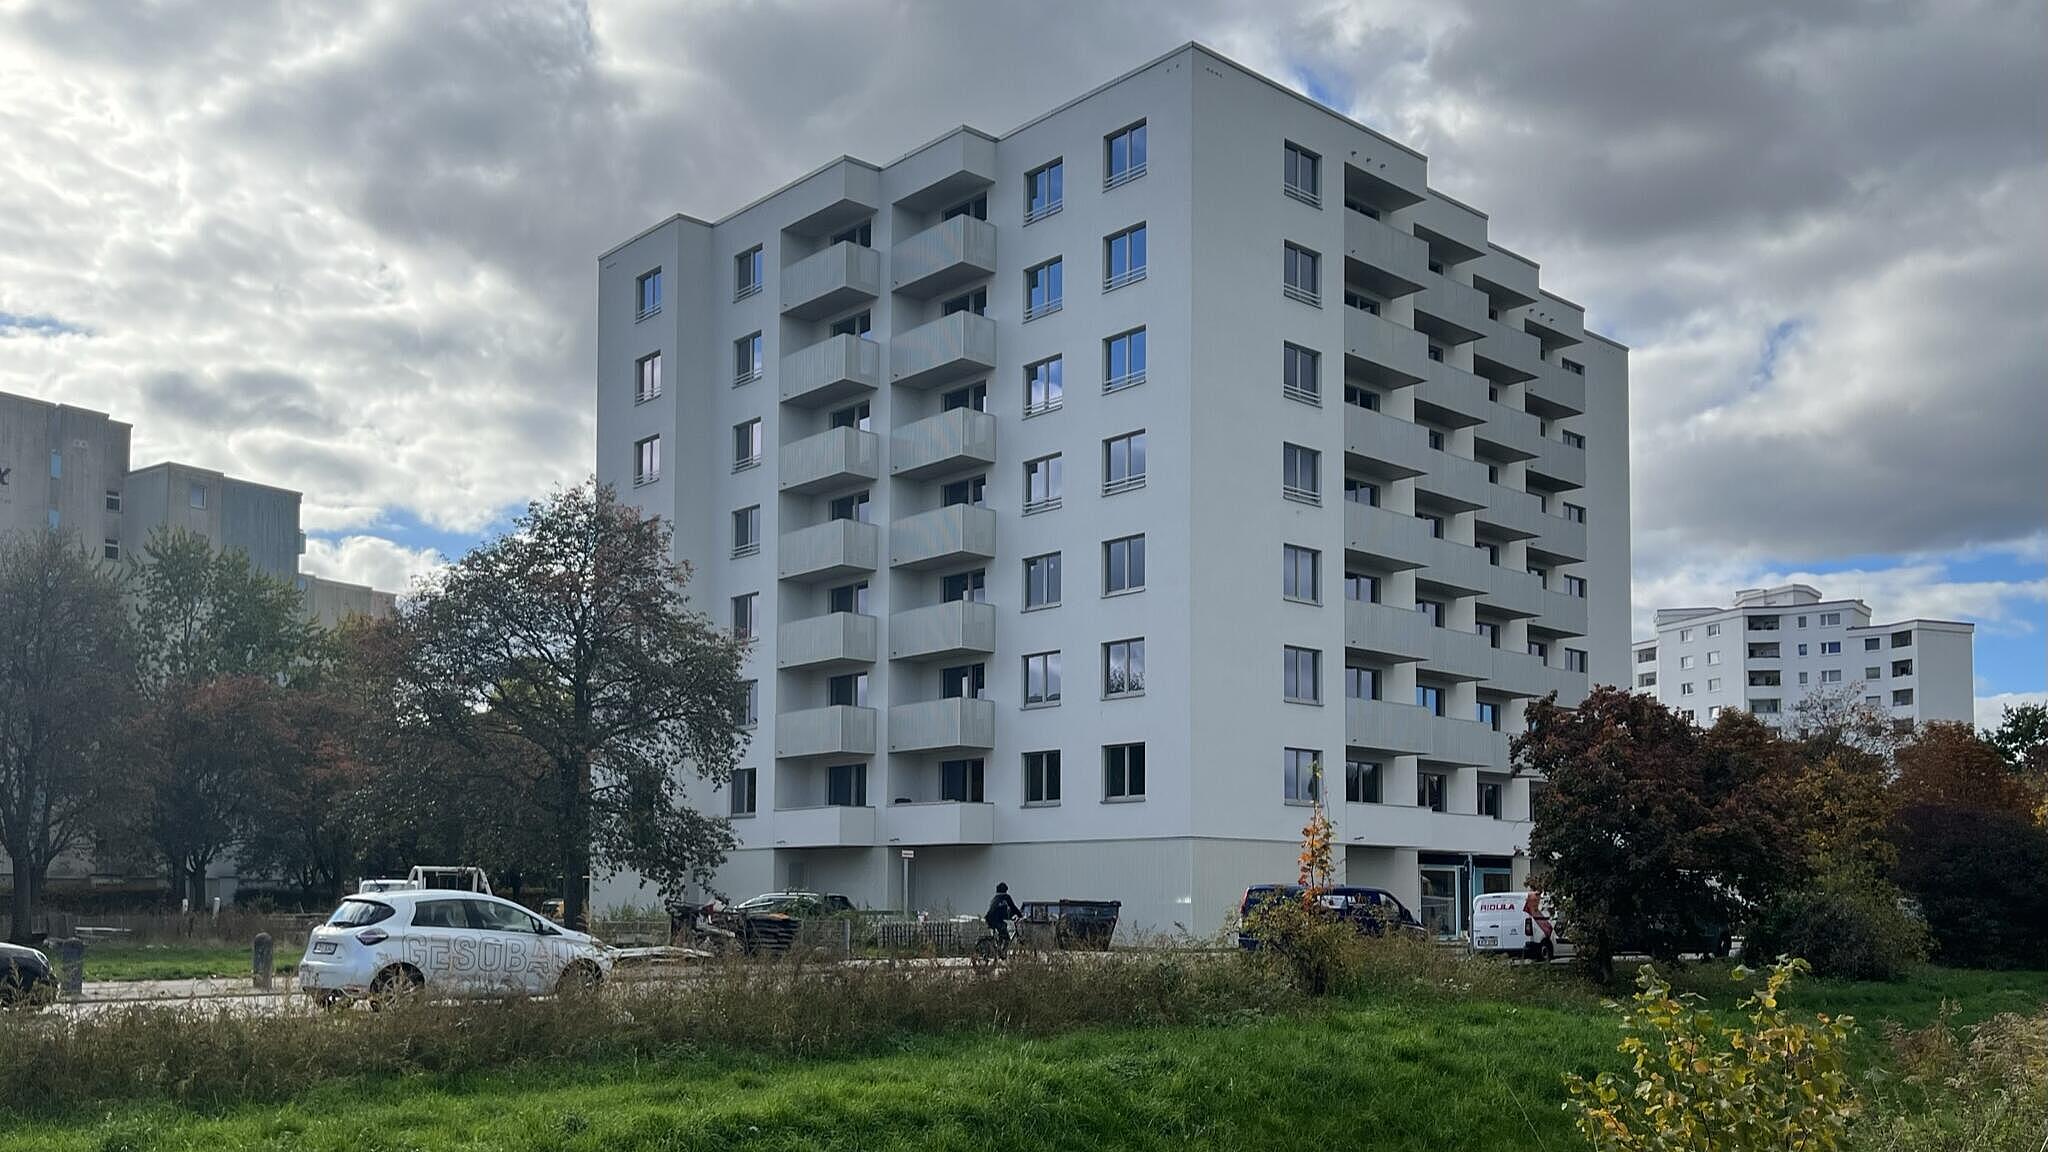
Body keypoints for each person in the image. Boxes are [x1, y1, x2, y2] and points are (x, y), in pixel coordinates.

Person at [984, 882, 1021, 948]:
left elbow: (1000, 910)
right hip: (996, 920)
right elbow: (1013, 907)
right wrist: (1020, 915)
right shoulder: (1006, 897)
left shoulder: (995, 898)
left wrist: (1010, 916)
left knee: (1003, 928)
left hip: (990, 919)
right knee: (1007, 939)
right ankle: (1002, 952)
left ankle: (999, 948)